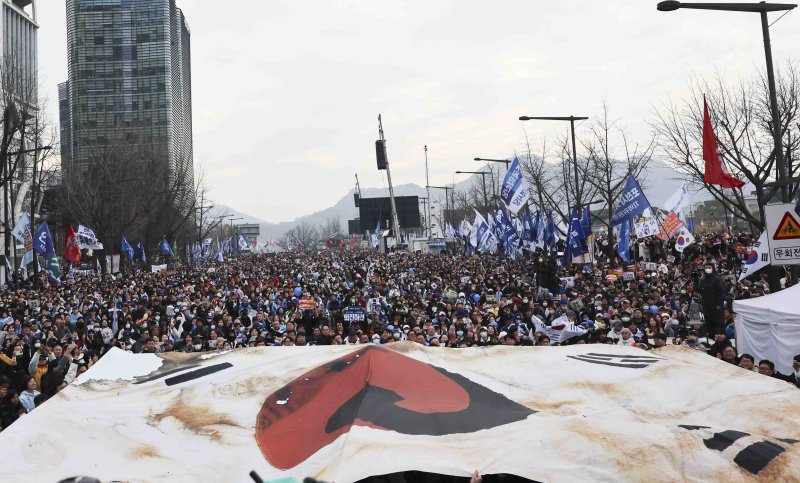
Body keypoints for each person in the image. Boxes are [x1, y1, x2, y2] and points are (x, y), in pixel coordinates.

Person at [697, 263, 727, 335]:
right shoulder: (703, 279)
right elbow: (700, 290)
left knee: (717, 324)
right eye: (706, 267)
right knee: (708, 323)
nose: (707, 269)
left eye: (709, 267)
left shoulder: (716, 279)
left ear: (713, 268)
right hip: (706, 305)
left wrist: (719, 304)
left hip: (715, 305)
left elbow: (721, 292)